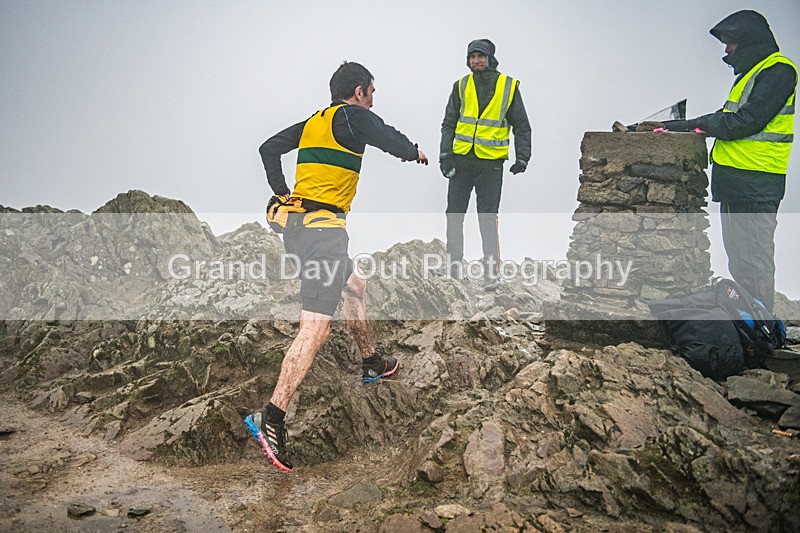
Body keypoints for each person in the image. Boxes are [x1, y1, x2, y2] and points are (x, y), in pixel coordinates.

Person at [246, 61, 428, 473]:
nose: (373, 98)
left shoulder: (316, 121)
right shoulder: (353, 115)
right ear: (360, 91)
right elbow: (388, 138)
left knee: (355, 285)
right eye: (372, 91)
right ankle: (271, 417)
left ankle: (371, 361)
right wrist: (413, 151)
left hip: (303, 229)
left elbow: (267, 148)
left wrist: (283, 193)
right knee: (315, 328)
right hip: (323, 235)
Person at [662, 10, 797, 313]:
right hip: (740, 182)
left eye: (731, 42)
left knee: (754, 259)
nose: (726, 50)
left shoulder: (778, 70)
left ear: (749, 40)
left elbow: (744, 122)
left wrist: (695, 125)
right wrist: (685, 125)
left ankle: (762, 330)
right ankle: (749, 324)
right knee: (741, 259)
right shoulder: (753, 73)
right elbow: (731, 119)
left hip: (756, 182)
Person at [439, 39, 532, 291]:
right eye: (472, 57)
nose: (476, 61)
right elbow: (448, 123)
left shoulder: (508, 86)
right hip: (460, 160)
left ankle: (491, 274)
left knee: (487, 218)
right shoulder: (460, 85)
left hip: (490, 165)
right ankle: (453, 268)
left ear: (491, 58)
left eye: (481, 56)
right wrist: (444, 156)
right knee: (454, 215)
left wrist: (523, 157)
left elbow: (521, 125)